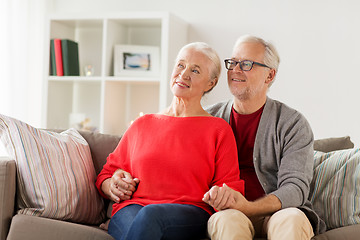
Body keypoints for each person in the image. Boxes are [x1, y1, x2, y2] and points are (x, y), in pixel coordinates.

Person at [95, 42, 244, 240]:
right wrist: (112, 184)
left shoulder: (218, 130)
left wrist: (220, 195)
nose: (183, 74)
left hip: (189, 211)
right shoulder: (142, 124)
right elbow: (106, 175)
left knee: (150, 216)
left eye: (195, 70)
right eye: (180, 65)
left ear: (211, 83)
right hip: (131, 209)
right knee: (142, 221)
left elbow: (229, 189)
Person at [202, 35, 326, 240]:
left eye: (247, 64)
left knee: (292, 219)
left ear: (270, 75)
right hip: (228, 212)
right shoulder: (208, 118)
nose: (235, 70)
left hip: (279, 212)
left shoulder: (292, 123)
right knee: (225, 221)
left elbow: (295, 188)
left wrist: (249, 207)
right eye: (233, 62)